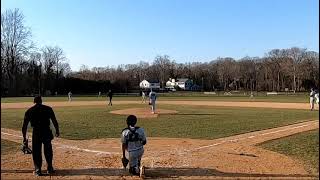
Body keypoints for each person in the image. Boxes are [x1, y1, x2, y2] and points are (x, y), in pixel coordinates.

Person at [22, 96, 60, 176]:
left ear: (34, 102)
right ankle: (49, 168)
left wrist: (24, 138)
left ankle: (38, 169)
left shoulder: (30, 110)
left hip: (36, 132)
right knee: (48, 150)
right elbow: (54, 121)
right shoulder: (48, 109)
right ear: (41, 101)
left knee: (36, 151)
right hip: (46, 131)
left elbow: (24, 126)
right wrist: (57, 131)